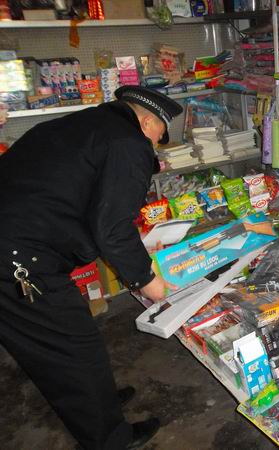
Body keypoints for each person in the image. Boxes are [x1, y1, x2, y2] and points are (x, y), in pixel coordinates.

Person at [0, 86, 183, 449]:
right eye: (159, 136)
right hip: (19, 258)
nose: (156, 145)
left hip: (16, 241)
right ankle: (109, 439)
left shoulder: (84, 125)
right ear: (148, 122)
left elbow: (84, 199)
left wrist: (133, 247)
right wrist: (148, 281)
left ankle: (97, 402)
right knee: (74, 346)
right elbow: (111, 229)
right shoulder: (129, 143)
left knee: (57, 345)